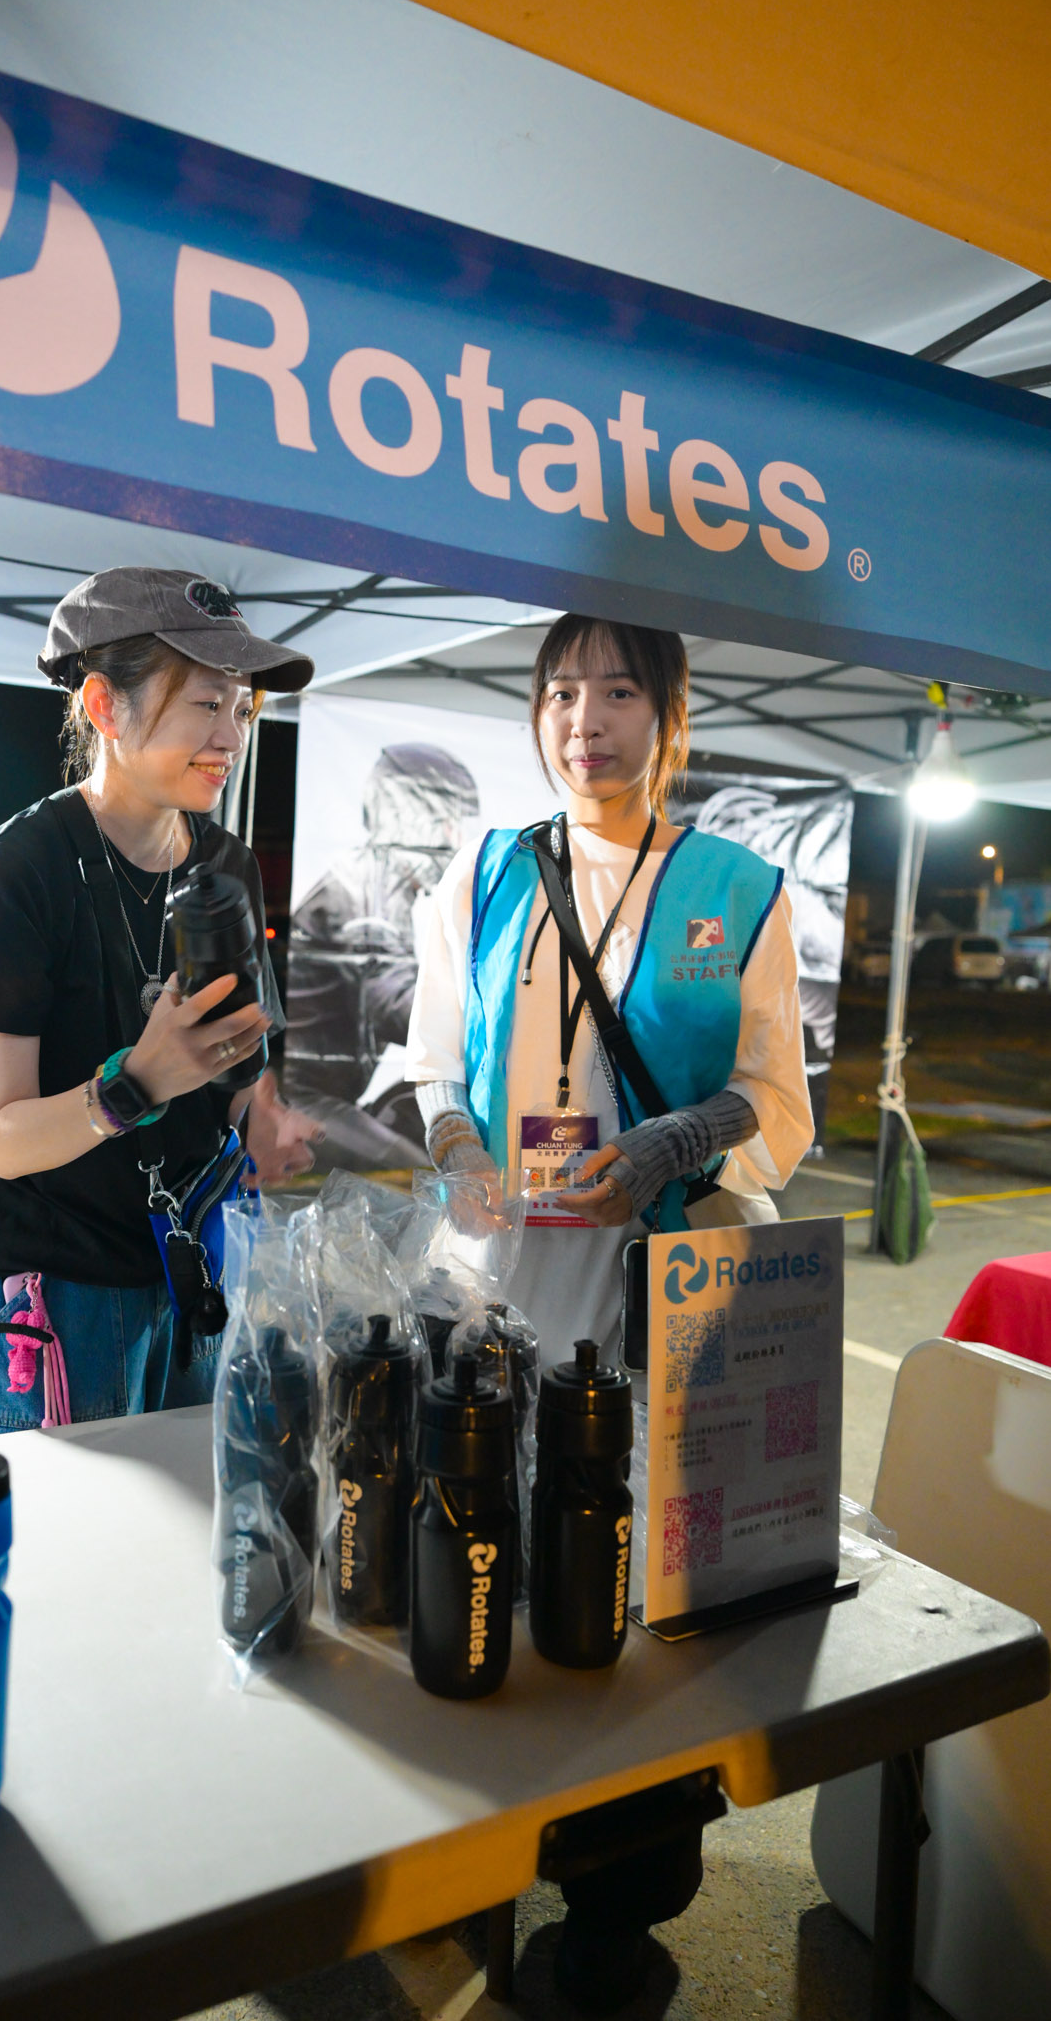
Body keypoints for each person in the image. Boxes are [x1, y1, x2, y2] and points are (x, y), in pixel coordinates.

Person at [405, 613, 812, 2013]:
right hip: (493, 1285)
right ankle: (461, 1877)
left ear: (670, 713)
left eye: (620, 690)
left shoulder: (737, 890)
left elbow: (776, 1097)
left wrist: (673, 1140)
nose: (586, 720)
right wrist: (457, 1144)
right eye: (562, 691)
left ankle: (613, 1925)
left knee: (636, 1603)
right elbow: (430, 1056)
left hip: (658, 1299)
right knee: (482, 1572)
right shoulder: (483, 871)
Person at [0, 568, 320, 1434]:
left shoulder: (226, 864)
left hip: (182, 1266)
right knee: (60, 1524)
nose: (231, 735)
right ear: (105, 706)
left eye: (242, 708)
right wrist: (139, 1082)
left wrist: (259, 1113)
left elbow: (233, 1060)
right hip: (44, 1283)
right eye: (205, 704)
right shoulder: (14, 873)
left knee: (182, 1509)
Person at [286, 744, 479, 1160]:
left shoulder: (377, 882)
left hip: (326, 1096)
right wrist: (487, 1021)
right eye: (446, 821)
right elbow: (394, 1003)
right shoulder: (365, 892)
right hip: (298, 1103)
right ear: (408, 818)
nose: (455, 840)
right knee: (414, 1175)